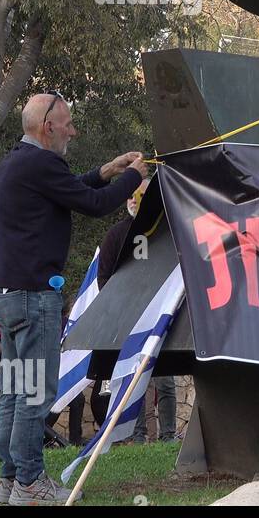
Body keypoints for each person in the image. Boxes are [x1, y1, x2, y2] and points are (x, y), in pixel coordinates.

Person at [0, 92, 146, 505]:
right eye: (68, 123)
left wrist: (107, 170)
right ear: (48, 126)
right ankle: (30, 484)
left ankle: (9, 481)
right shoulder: (42, 163)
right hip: (33, 296)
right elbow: (92, 205)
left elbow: (72, 188)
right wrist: (134, 177)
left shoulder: (18, 160)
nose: (73, 130)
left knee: (16, 391)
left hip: (6, 293)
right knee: (36, 393)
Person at [97, 178, 177, 443]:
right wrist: (119, 311)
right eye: (130, 195)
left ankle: (168, 436)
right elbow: (104, 278)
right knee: (134, 379)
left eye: (140, 195)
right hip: (128, 320)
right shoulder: (116, 234)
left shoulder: (167, 231)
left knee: (165, 379)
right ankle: (138, 436)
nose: (133, 199)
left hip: (160, 316)